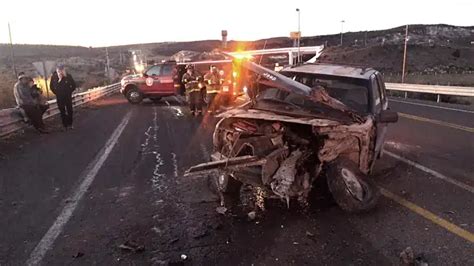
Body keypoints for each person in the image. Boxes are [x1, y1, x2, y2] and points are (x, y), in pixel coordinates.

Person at [50, 65, 76, 130]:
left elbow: (74, 85)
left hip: (67, 96)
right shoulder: (54, 77)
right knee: (62, 111)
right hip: (59, 97)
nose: (60, 72)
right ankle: (65, 125)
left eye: (62, 70)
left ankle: (70, 124)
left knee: (69, 110)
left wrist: (69, 91)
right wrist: (56, 93)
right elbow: (52, 87)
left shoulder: (68, 76)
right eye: (59, 70)